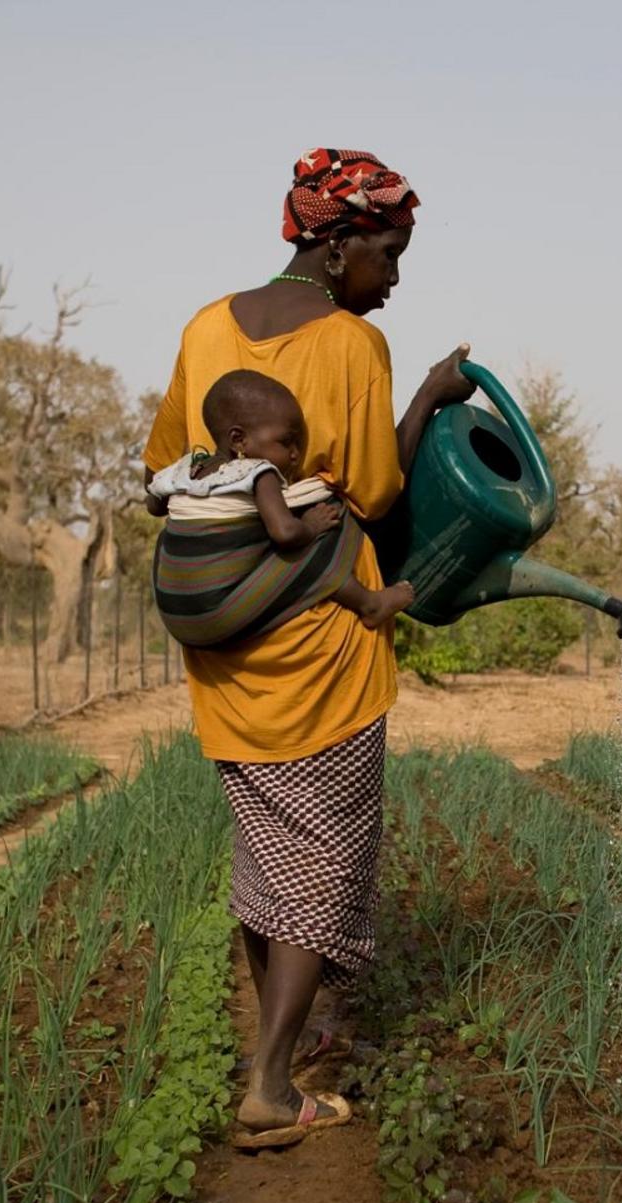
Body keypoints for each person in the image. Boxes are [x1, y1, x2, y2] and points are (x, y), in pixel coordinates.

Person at [142, 147, 475, 1149]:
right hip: (323, 645)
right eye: (389, 251)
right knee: (322, 860)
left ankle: (282, 1037)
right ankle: (273, 1085)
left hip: (230, 648)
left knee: (267, 856)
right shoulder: (349, 347)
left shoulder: (206, 326)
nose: (395, 275)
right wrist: (423, 395)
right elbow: (372, 494)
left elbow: (162, 461)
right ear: (335, 247)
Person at [146, 368, 414, 646]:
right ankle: (368, 603)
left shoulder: (184, 469)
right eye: (286, 442)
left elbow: (153, 504)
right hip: (216, 615)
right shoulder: (259, 473)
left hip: (174, 612)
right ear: (239, 440)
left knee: (171, 536)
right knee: (321, 526)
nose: (296, 454)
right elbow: (285, 533)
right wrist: (311, 525)